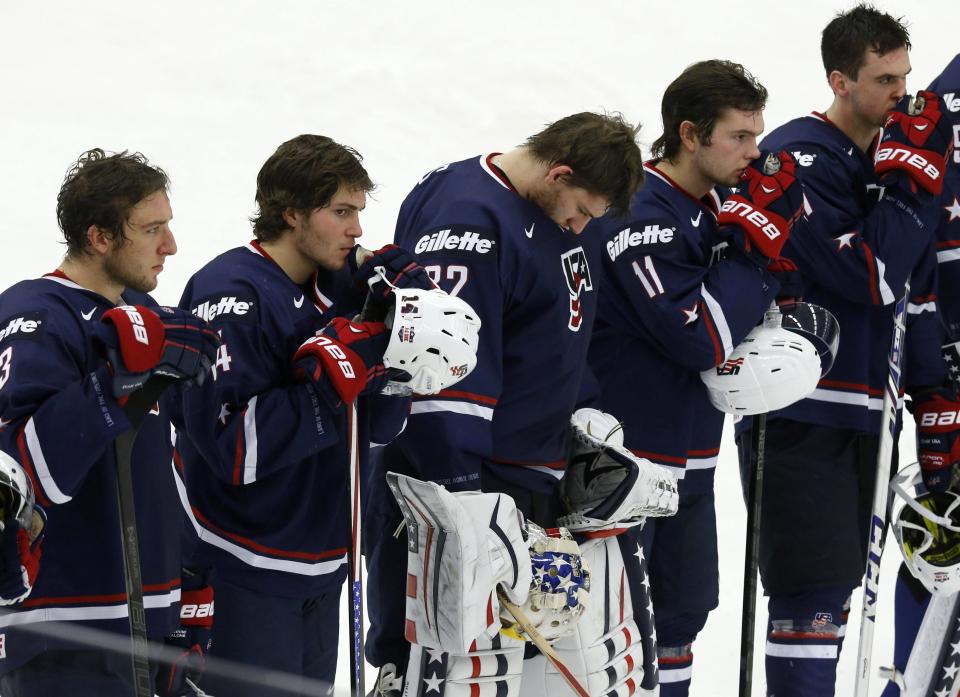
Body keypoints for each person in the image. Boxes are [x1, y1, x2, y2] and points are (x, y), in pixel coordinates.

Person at [364, 112, 682, 697]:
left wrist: (586, 426)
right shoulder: (470, 221)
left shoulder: (553, 214)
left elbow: (559, 335)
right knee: (449, 675)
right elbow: (440, 375)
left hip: (528, 494)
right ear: (557, 172)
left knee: (521, 675)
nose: (582, 224)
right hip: (464, 494)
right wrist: (466, 502)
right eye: (582, 209)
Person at [174, 134, 444, 697]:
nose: (358, 231)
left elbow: (379, 429)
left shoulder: (339, 292)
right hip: (243, 566)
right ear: (292, 213)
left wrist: (399, 349)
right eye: (342, 212)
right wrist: (335, 379)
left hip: (325, 567)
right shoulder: (231, 294)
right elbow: (234, 450)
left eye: (359, 213)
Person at [737, 6, 955, 696]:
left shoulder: (886, 158)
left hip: (871, 414)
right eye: (885, 79)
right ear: (840, 79)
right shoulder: (798, 156)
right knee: (813, 602)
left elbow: (912, 295)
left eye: (907, 77)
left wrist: (936, 399)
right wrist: (914, 186)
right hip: (804, 414)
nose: (903, 94)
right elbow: (872, 274)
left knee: (841, 602)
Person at [588, 59, 810, 696]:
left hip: (692, 460)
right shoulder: (643, 212)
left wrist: (774, 253)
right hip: (626, 467)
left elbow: (762, 302)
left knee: (681, 618)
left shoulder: (717, 205)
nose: (755, 152)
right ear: (690, 134)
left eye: (757, 135)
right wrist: (756, 253)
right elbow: (699, 337)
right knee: (617, 629)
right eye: (740, 137)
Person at [0, 149, 219, 696]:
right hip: (66, 638)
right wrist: (111, 377)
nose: (170, 246)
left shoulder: (141, 314)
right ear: (99, 237)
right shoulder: (36, 315)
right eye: (151, 229)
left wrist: (186, 583)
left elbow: (160, 457)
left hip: (146, 623)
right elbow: (17, 475)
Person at [879, 52, 960, 697]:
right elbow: (914, 253)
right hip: (950, 366)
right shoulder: (940, 103)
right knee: (943, 537)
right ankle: (916, 678)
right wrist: (933, 372)